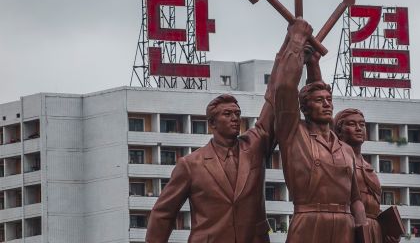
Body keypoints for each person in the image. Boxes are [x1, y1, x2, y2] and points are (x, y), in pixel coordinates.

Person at [145, 26, 292, 243]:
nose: (235, 118)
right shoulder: (191, 164)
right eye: (227, 114)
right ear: (212, 123)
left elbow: (274, 97)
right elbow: (163, 214)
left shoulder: (255, 146)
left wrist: (291, 46)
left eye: (237, 114)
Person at [273, 18, 367, 243]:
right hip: (309, 219)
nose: (327, 104)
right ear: (304, 107)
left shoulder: (345, 149)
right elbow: (285, 88)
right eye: (318, 100)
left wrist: (362, 229)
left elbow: (355, 198)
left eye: (329, 99)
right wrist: (296, 40)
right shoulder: (293, 135)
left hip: (344, 223)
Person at [334, 108, 400, 243]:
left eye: (362, 124)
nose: (359, 128)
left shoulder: (368, 166)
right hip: (349, 226)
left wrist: (388, 231)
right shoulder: (335, 161)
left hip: (374, 230)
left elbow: (374, 206)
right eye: (352, 124)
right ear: (339, 130)